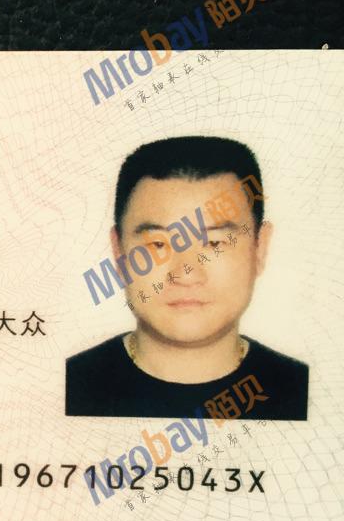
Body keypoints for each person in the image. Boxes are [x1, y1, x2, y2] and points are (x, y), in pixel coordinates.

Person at [66, 136, 308, 419]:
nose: (185, 274)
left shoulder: (303, 392)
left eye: (214, 243)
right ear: (119, 252)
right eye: (158, 245)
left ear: (260, 248)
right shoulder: (71, 387)